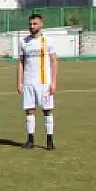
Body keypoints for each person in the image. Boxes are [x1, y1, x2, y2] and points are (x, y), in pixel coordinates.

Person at [17, 13, 58, 150]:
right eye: (30, 24)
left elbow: (54, 61)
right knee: (29, 111)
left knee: (47, 111)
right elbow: (21, 63)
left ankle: (50, 140)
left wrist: (53, 82)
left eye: (35, 24)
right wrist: (20, 82)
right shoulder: (24, 42)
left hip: (44, 82)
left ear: (41, 24)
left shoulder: (48, 41)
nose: (32, 26)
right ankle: (30, 140)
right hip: (29, 82)